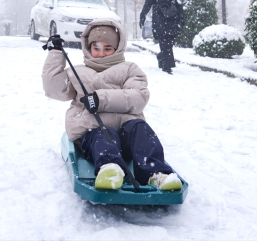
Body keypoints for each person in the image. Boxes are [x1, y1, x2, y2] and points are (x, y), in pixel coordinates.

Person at [41, 18, 182, 191]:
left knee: (141, 129)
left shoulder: (130, 69)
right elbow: (53, 88)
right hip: (94, 131)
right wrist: (55, 53)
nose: (101, 53)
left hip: (127, 129)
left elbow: (138, 97)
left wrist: (101, 100)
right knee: (103, 134)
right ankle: (110, 169)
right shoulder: (77, 72)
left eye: (108, 49)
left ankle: (157, 174)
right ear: (88, 47)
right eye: (96, 48)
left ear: (117, 48)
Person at [139, 0, 184, 74]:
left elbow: (180, 3)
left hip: (173, 18)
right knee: (164, 42)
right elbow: (148, 2)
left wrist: (181, 17)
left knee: (170, 42)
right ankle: (167, 66)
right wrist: (143, 15)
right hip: (159, 18)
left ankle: (161, 57)